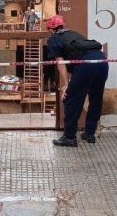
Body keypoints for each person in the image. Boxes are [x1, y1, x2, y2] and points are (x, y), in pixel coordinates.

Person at [45, 14, 109, 147]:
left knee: (71, 99)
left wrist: (65, 85)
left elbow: (61, 63)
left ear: (50, 29)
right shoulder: (73, 33)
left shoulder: (53, 39)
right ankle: (90, 133)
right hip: (102, 60)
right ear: (63, 25)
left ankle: (69, 137)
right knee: (96, 97)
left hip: (86, 64)